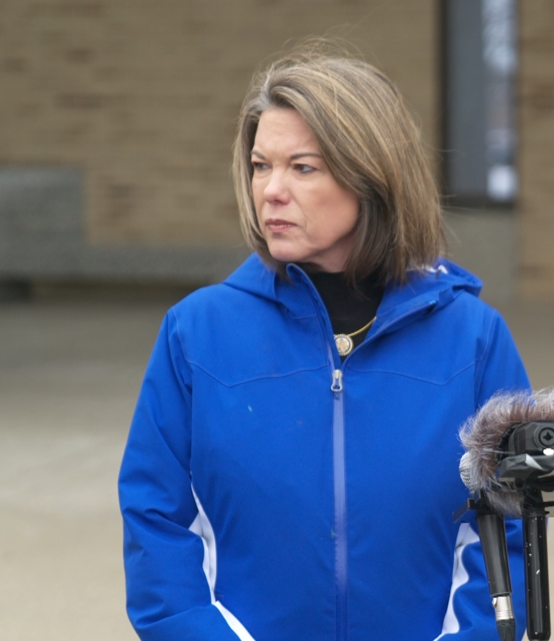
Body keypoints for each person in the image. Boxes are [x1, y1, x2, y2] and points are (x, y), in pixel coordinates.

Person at [118, 42, 530, 641]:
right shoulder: (196, 332)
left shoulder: (473, 337)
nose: (271, 191)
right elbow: (156, 524)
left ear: (372, 178)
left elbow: (509, 536)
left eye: (302, 167)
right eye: (261, 166)